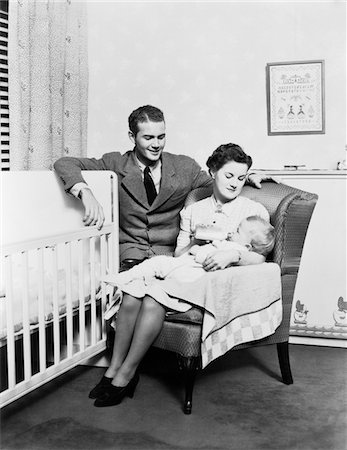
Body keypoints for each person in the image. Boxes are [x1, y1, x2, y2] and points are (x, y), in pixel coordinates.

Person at [85, 142, 274, 408]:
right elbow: (179, 255)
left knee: (152, 299)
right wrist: (197, 242)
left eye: (241, 178)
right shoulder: (193, 211)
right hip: (187, 269)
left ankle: (128, 373)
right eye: (228, 176)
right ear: (212, 172)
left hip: (215, 282)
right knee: (131, 294)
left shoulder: (253, 211)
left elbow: (261, 258)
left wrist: (232, 254)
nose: (235, 184)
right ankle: (113, 369)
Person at [53, 105, 269, 266]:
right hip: (129, 256)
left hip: (167, 258)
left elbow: (218, 181)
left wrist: (246, 177)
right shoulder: (114, 163)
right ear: (132, 136)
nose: (156, 144)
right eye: (148, 137)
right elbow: (64, 163)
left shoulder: (185, 167)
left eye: (161, 137)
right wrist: (85, 192)